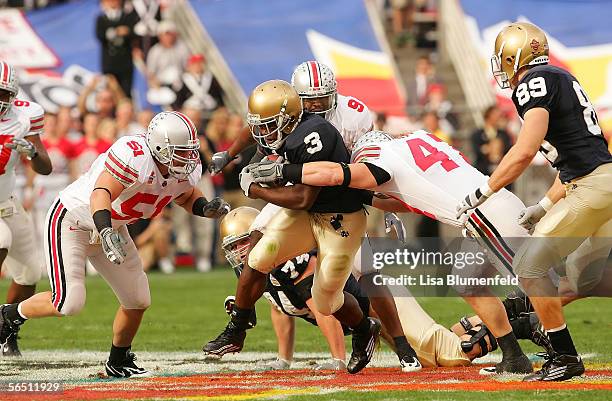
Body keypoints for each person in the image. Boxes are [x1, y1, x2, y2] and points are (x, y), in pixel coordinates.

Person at [248, 129, 535, 375]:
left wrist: (283, 171)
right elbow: (397, 197)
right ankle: (514, 344)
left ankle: (533, 331)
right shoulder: (418, 141)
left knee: (461, 348)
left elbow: (340, 177)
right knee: (468, 282)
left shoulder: (367, 170)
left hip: (477, 217)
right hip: (479, 208)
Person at [209, 61, 420, 372]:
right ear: (296, 102)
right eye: (310, 101)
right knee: (255, 247)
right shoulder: (286, 120)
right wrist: (230, 155)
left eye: (323, 99)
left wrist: (383, 201)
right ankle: (241, 319)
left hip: (340, 205)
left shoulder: (348, 118)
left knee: (360, 279)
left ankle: (400, 345)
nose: (317, 106)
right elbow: (257, 129)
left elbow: (371, 158)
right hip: (298, 198)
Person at [0, 111, 230, 377]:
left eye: (188, 151)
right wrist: (106, 231)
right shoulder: (135, 156)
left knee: (138, 298)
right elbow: (102, 193)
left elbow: (186, 195)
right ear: (158, 146)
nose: (187, 158)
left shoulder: (182, 169)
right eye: (178, 151)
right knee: (69, 302)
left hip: (113, 225)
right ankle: (8, 315)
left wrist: (205, 208)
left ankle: (118, 360)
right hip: (73, 218)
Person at [455, 21, 612, 381]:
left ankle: (564, 356)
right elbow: (578, 157)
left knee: (528, 268)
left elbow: (525, 151)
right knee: (581, 281)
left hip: (591, 189)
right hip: (603, 184)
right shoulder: (560, 77)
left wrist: (485, 190)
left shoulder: (532, 83)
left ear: (514, 56)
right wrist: (543, 205)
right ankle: (526, 321)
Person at [0, 61, 52, 356]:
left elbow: (46, 167)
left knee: (31, 273)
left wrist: (32, 152)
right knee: (2, 240)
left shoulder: (24, 116)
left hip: (7, 202)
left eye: (3, 94)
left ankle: (5, 332)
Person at [95, 0, 137, 97]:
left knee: (126, 92)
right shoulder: (101, 19)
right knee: (111, 92)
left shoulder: (127, 16)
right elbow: (100, 36)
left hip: (125, 62)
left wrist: (128, 32)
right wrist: (116, 32)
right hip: (109, 63)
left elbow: (133, 33)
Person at [471, 105, 513, 178]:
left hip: (501, 172)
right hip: (483, 171)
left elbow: (509, 150)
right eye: (496, 115)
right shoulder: (477, 134)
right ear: (488, 116)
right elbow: (476, 149)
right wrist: (487, 149)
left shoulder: (504, 134)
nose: (499, 118)